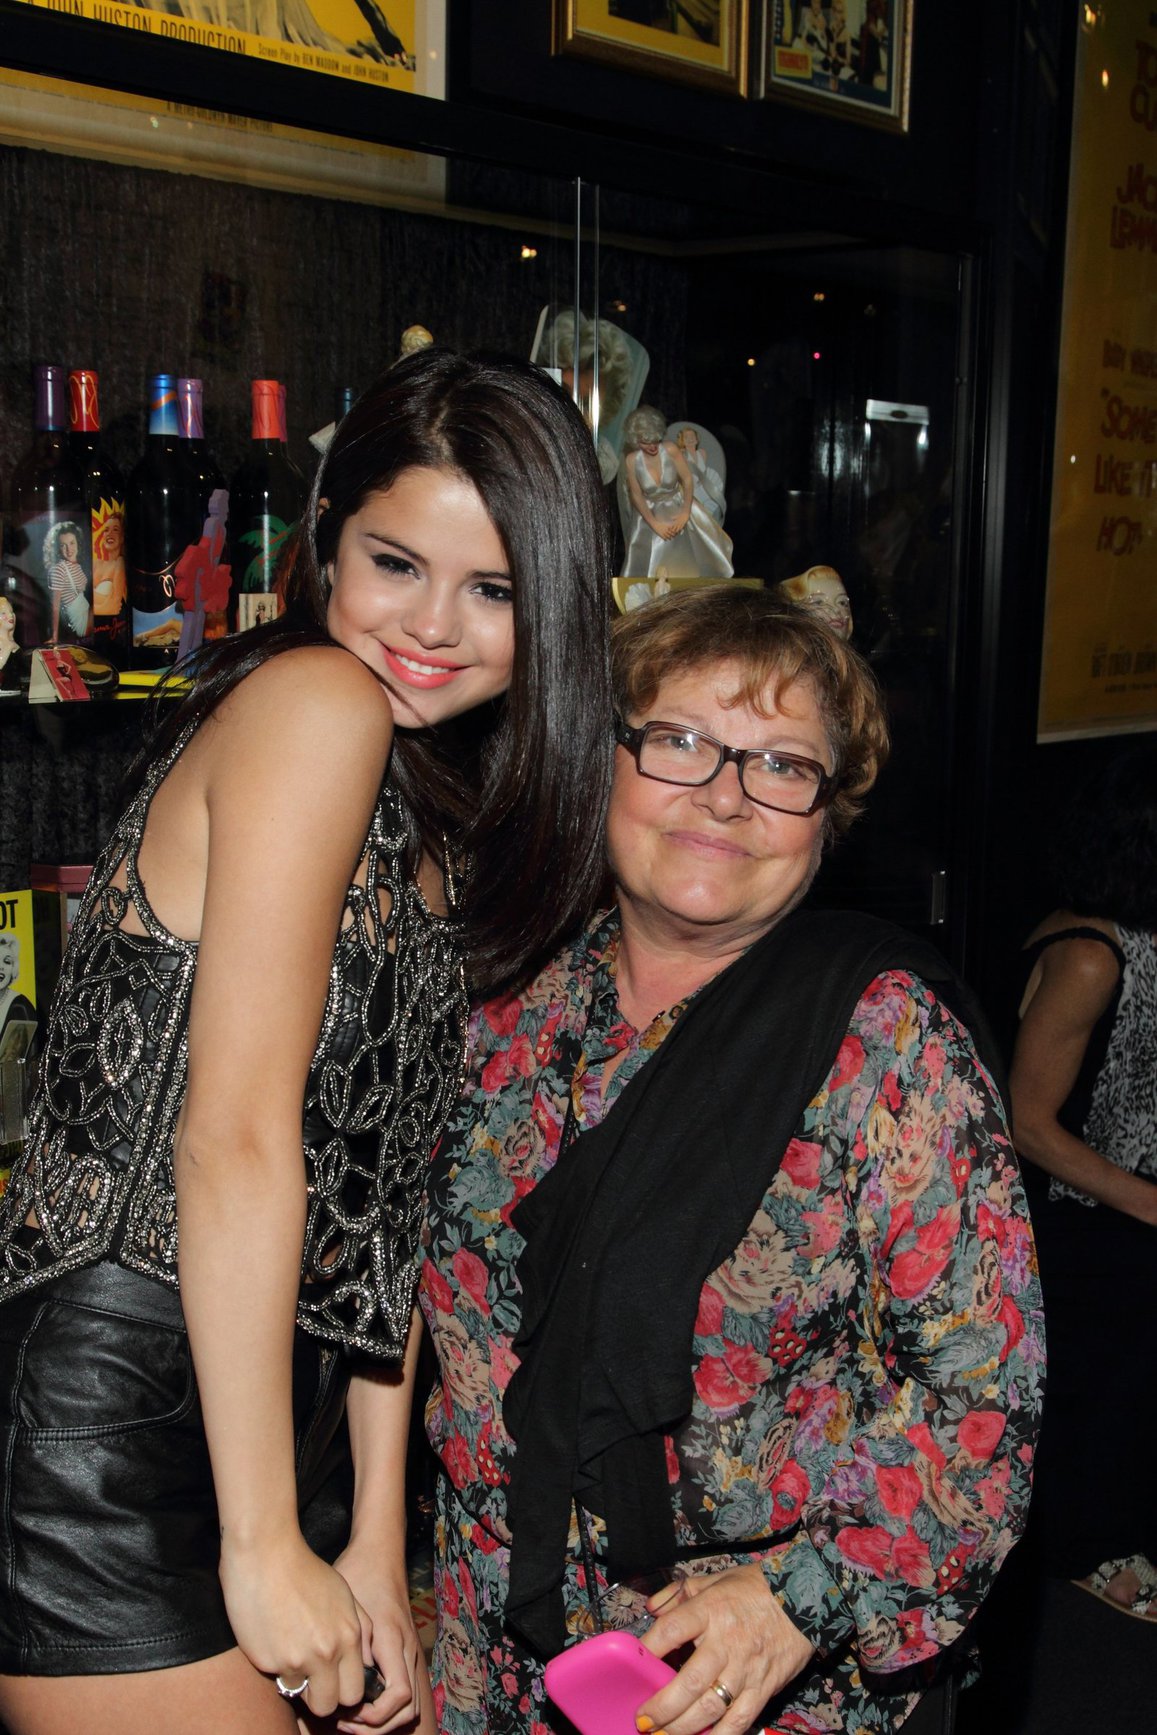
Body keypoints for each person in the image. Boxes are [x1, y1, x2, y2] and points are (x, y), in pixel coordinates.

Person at [0, 347, 613, 1735]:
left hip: (285, 1403)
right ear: (326, 542)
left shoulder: (429, 816)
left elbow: (377, 1208)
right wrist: (267, 1533)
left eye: (496, 588)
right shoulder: (314, 708)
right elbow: (231, 1139)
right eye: (397, 561)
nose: (435, 625)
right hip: (127, 1397)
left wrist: (375, 1541)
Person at [420, 584, 1044, 1735]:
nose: (724, 796)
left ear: (825, 814)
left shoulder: (881, 1043)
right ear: (602, 760)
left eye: (781, 765)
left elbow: (983, 1407)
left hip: (738, 1677)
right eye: (679, 742)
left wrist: (797, 1599)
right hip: (486, 1636)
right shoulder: (502, 994)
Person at [1009, 743, 1157, 1620]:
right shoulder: (1089, 953)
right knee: (1101, 1390)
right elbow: (1028, 1124)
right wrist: (1146, 1203)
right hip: (1077, 1215)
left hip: (1120, 1199)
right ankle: (1081, 1548)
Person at [619, 407, 734, 582]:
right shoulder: (632, 460)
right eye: (645, 442)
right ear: (635, 440)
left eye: (655, 440)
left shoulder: (670, 449)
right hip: (650, 515)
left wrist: (685, 512)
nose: (652, 446)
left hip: (678, 506)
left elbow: (687, 480)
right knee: (650, 564)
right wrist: (655, 524)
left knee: (692, 559)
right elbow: (636, 496)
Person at [43, 520, 91, 644]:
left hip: (87, 612)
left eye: (71, 543)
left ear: (78, 544)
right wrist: (54, 637)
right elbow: (55, 606)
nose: (68, 549)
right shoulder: (59, 569)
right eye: (63, 545)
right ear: (58, 548)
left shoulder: (77, 565)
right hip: (81, 621)